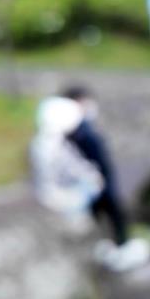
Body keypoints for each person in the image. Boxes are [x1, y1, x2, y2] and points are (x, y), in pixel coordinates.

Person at [61, 86, 150, 271]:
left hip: (99, 181)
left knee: (112, 214)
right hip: (93, 184)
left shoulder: (82, 128)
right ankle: (117, 249)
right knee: (109, 213)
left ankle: (118, 246)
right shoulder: (74, 131)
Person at [30, 96, 104, 230]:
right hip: (61, 196)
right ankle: (77, 219)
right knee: (93, 183)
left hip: (48, 192)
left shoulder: (40, 143)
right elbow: (71, 169)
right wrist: (92, 175)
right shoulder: (55, 146)